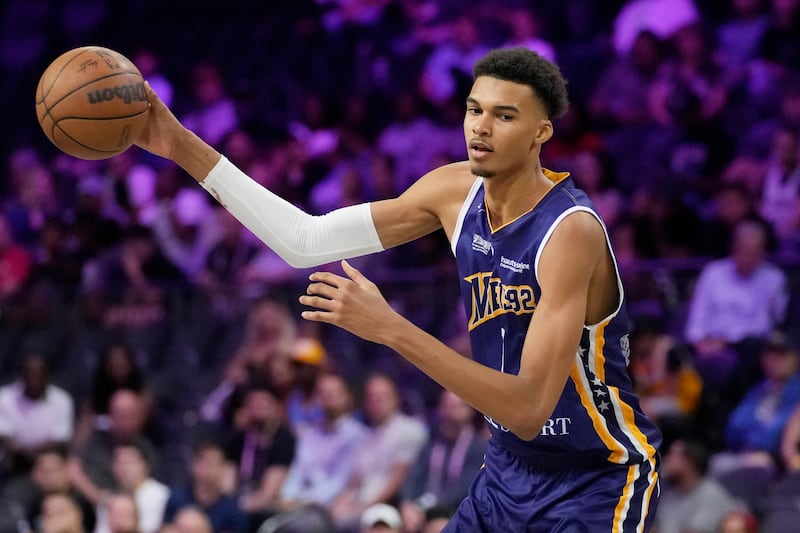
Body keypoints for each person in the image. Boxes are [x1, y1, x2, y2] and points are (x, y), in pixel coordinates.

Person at [135, 46, 662, 531]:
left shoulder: (571, 231)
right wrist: (179, 146)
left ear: (541, 133)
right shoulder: (453, 192)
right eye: (474, 110)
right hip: (506, 475)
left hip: (595, 477)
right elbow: (304, 240)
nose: (481, 128)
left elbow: (527, 411)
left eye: (504, 116)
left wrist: (389, 328)